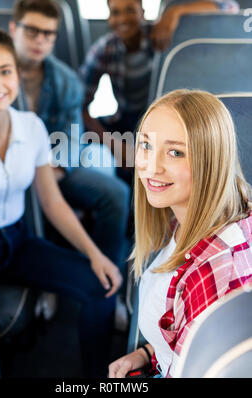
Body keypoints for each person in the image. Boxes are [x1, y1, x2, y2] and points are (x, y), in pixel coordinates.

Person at [0, 20, 123, 378]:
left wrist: (95, 255)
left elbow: (52, 201)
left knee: (102, 286)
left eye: (4, 71)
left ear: (17, 76)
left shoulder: (31, 125)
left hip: (18, 242)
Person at [108, 89, 252, 378]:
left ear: (210, 161)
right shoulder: (196, 211)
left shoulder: (215, 273)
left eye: (175, 152)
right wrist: (148, 352)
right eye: (146, 145)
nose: (151, 165)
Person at [8, 0, 130, 277]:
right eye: (33, 31)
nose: (41, 40)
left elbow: (71, 136)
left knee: (116, 194)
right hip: (3, 166)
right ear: (14, 29)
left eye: (49, 34)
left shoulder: (65, 81)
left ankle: (104, 272)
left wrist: (53, 169)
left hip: (51, 168)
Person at [80, 0, 239, 138]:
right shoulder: (103, 49)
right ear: (109, 18)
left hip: (167, 119)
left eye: (130, 11)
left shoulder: (161, 34)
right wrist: (113, 145)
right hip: (126, 121)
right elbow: (79, 104)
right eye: (115, 12)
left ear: (142, 13)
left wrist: (175, 11)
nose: (122, 19)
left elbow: (230, 6)